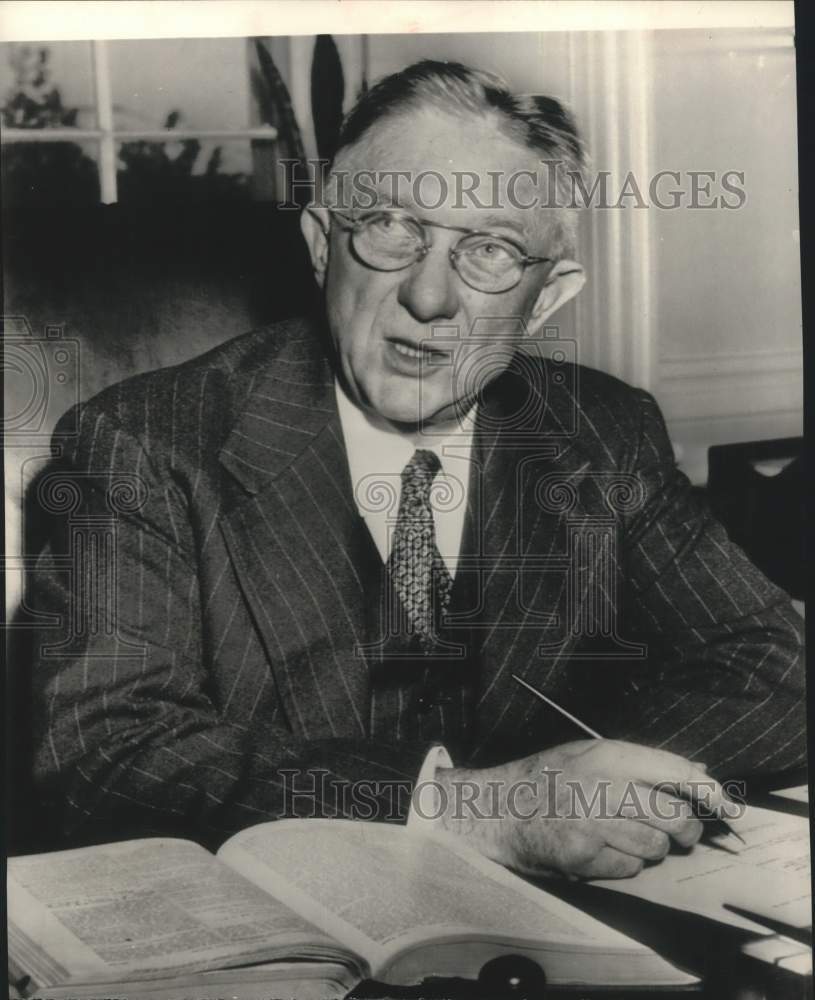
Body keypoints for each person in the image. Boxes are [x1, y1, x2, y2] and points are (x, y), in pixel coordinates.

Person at [27, 61, 805, 879]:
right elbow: (103, 758)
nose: (430, 296)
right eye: (394, 228)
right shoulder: (144, 442)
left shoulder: (600, 433)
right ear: (324, 245)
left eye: (491, 250)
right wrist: (471, 807)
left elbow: (775, 663)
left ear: (545, 300)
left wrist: (584, 789)